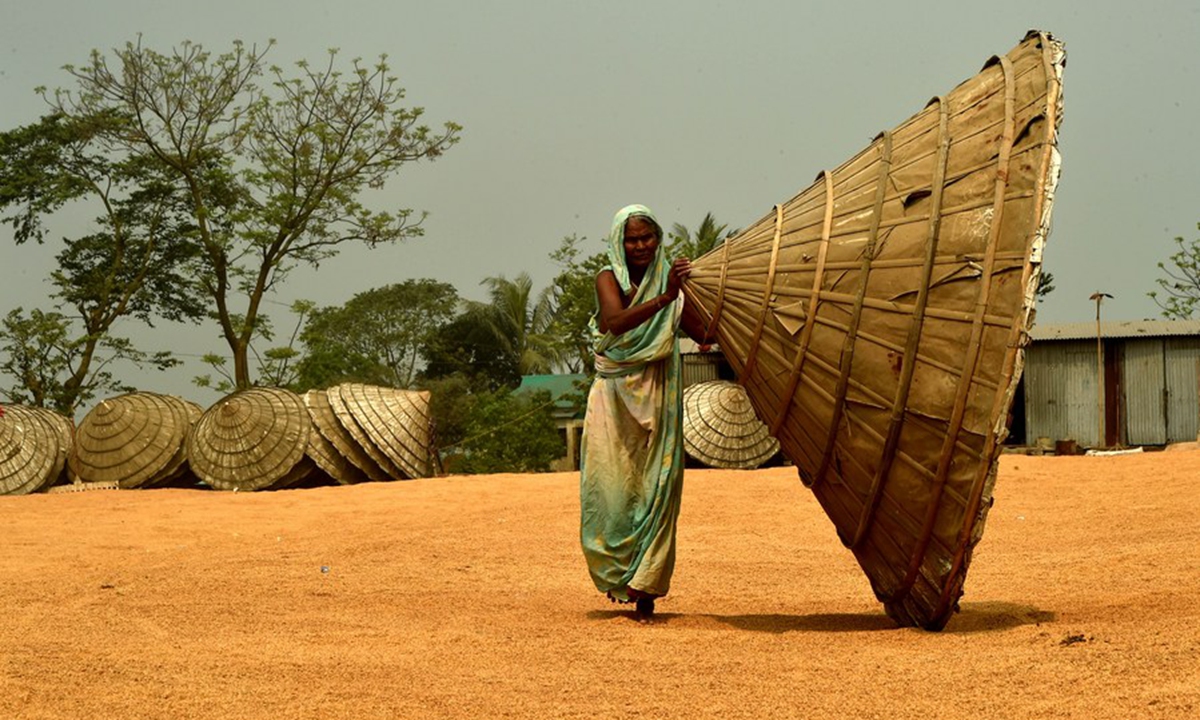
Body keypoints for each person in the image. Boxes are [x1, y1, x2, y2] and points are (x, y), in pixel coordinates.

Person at [579, 204, 708, 622]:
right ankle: (619, 574)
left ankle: (645, 585)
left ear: (658, 239)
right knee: (611, 484)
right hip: (614, 393)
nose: (640, 246)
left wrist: (697, 294)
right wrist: (667, 297)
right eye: (632, 239)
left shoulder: (672, 277)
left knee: (658, 484)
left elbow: (700, 329)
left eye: (647, 238)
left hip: (659, 388)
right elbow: (614, 322)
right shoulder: (608, 278)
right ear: (620, 241)